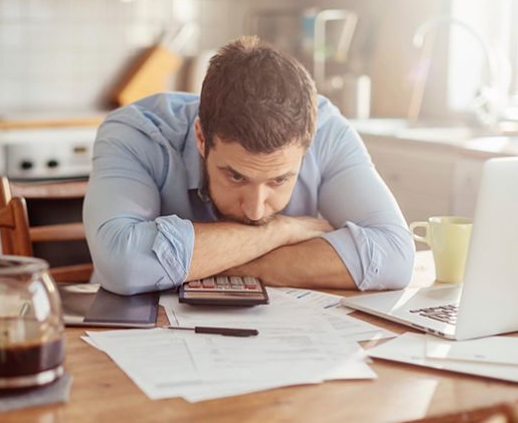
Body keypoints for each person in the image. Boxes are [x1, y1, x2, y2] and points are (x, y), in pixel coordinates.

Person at [83, 35, 414, 296]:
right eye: (236, 176)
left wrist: (208, 262)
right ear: (201, 137)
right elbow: (123, 265)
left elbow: (396, 258)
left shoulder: (326, 130)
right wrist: (281, 230)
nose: (256, 211)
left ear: (306, 146)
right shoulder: (136, 132)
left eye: (280, 180)